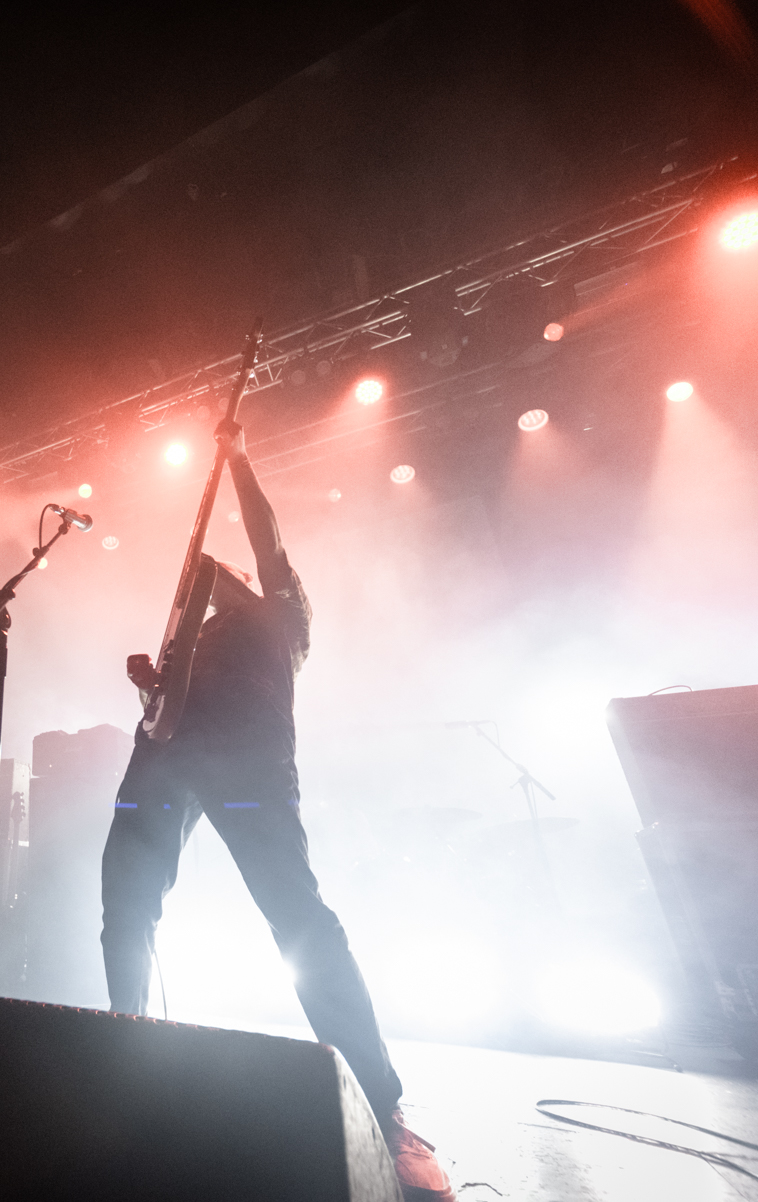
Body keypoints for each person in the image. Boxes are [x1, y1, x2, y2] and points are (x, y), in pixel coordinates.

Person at [102, 421, 455, 1202]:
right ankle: (123, 1055)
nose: (228, 590)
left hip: (249, 768)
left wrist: (237, 459)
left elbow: (266, 543)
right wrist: (150, 685)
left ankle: (383, 1107)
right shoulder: (202, 634)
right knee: (124, 906)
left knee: (298, 918)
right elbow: (167, 706)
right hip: (162, 761)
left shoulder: (283, 621)